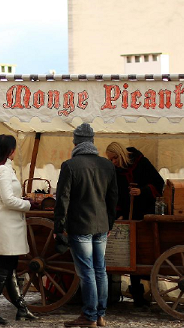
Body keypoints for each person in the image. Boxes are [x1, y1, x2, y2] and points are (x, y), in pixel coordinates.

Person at [54, 123, 118, 328]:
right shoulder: (107, 166)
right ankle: (100, 315)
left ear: (76, 142)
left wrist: (58, 227)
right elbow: (113, 198)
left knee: (87, 271)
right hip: (101, 225)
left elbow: (62, 199)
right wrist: (110, 221)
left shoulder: (70, 166)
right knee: (100, 269)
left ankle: (90, 316)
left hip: (80, 225)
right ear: (92, 141)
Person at [0, 134, 37, 325]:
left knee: (9, 268)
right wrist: (28, 204)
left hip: (8, 222)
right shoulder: (3, 171)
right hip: (6, 223)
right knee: (5, 269)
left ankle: (21, 309)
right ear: (10, 150)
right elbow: (8, 200)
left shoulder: (1, 169)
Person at [105, 141, 165, 308]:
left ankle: (143, 294)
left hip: (144, 215)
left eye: (115, 158)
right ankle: (136, 295)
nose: (113, 162)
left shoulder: (141, 163)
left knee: (141, 254)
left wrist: (142, 191)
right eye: (110, 159)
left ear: (121, 155)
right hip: (128, 216)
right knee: (129, 254)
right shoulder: (115, 171)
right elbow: (115, 193)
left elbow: (159, 184)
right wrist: (118, 213)